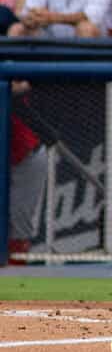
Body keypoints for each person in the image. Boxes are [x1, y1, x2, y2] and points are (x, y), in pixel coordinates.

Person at [6, 82, 45, 259]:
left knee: (18, 225)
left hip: (25, 156)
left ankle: (16, 279)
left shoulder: (10, 59)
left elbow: (23, 84)